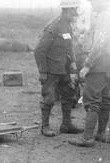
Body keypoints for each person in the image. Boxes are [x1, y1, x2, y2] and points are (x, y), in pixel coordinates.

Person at [69, 0, 110, 147]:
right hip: (108, 66)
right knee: (104, 100)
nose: (91, 4)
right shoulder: (109, 16)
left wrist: (87, 65)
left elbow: (100, 43)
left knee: (92, 101)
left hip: (99, 66)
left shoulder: (103, 17)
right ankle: (101, 134)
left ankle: (87, 138)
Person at [34, 0, 83, 137]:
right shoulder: (53, 27)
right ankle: (45, 127)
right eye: (74, 10)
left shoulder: (68, 25)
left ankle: (66, 125)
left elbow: (69, 45)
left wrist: (72, 61)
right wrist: (43, 71)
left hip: (64, 69)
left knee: (69, 95)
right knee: (49, 98)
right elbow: (39, 50)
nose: (76, 13)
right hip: (51, 71)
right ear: (67, 10)